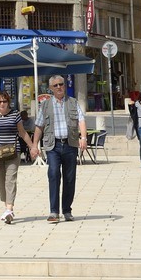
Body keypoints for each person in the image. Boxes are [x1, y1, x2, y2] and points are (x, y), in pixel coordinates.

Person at [32, 76, 86, 223]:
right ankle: (54, 211)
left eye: (61, 84)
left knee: (69, 178)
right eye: (55, 85)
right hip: (53, 145)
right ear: (51, 88)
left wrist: (83, 138)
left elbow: (81, 120)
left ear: (65, 86)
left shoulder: (73, 102)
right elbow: (39, 126)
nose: (59, 87)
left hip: (70, 144)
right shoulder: (45, 105)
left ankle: (67, 210)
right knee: (54, 174)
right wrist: (34, 145)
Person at [0, 92, 36, 224]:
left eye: (4, 101)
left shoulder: (15, 114)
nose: (2, 104)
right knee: (1, 181)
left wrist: (32, 146)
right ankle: (7, 209)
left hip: (13, 152)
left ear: (8, 102)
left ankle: (9, 209)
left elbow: (22, 132)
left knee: (11, 179)